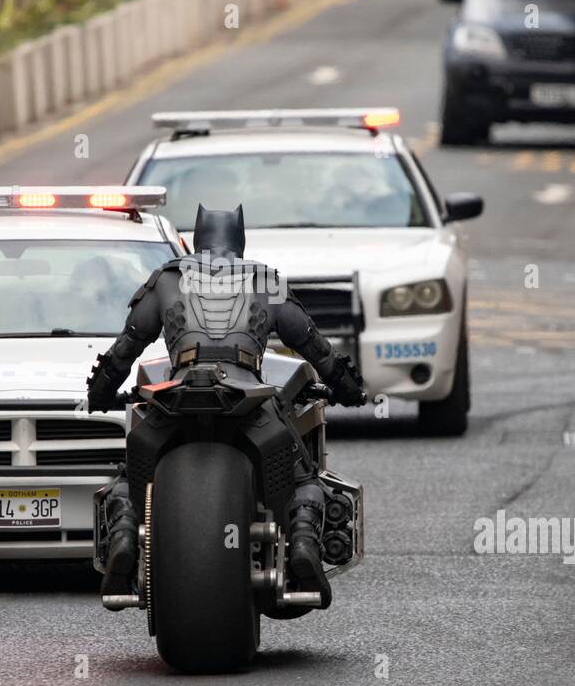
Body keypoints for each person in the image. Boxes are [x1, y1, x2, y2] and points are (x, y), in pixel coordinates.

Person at [86, 205, 367, 606]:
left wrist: (99, 396)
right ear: (240, 240)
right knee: (305, 479)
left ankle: (125, 538)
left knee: (131, 479)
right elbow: (316, 349)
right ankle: (303, 545)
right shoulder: (265, 280)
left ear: (198, 239)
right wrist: (349, 390)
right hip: (248, 397)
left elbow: (122, 351)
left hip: (175, 394)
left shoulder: (167, 277)